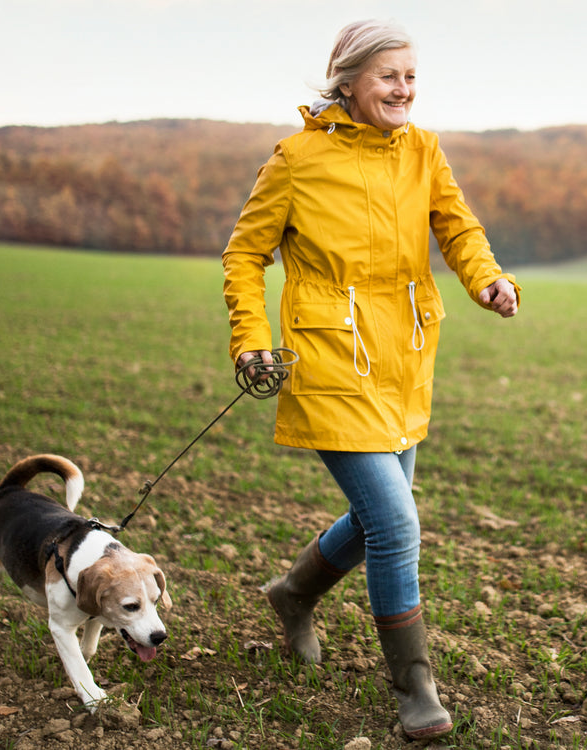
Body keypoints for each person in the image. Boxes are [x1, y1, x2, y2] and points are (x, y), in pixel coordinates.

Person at [219, 18, 519, 740]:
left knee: (381, 515)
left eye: (411, 76)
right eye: (390, 76)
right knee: (395, 523)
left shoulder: (424, 150)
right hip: (327, 361)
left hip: (404, 357)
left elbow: (458, 228)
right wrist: (251, 339)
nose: (404, 89)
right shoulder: (295, 160)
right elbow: (243, 255)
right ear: (348, 80)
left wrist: (486, 279)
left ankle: (293, 595)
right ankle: (415, 685)